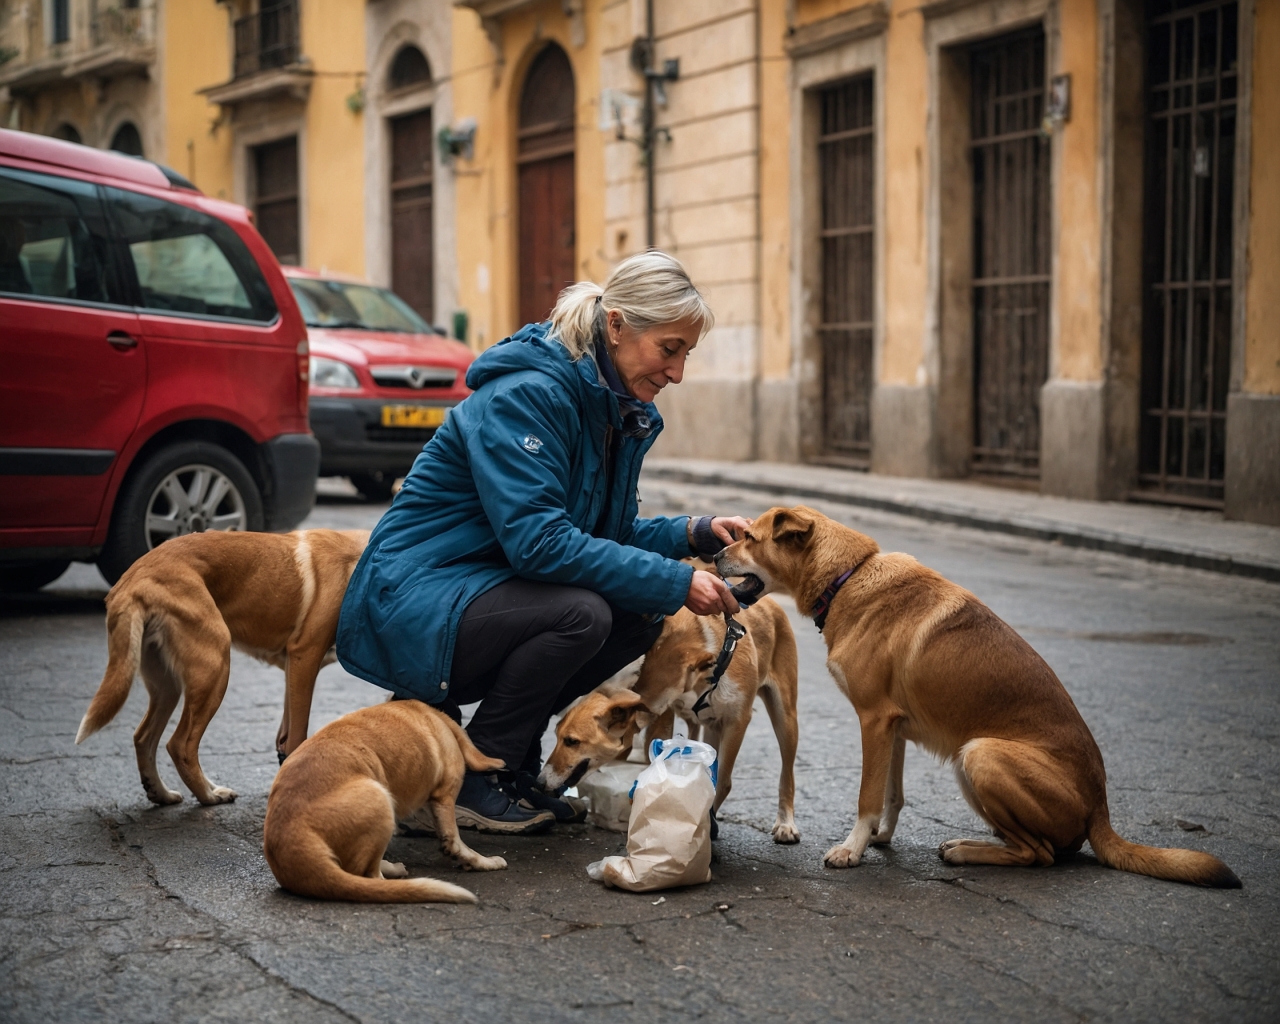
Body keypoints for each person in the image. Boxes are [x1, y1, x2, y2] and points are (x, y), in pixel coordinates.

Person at [336, 251, 749, 834]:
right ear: (616, 326)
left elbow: (603, 537)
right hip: (413, 600)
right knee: (581, 612)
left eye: (686, 353)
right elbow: (540, 544)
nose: (677, 372)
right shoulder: (530, 396)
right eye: (670, 349)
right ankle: (472, 779)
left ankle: (507, 769)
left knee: (638, 609)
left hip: (479, 590)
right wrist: (678, 578)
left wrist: (691, 534)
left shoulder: (611, 406)